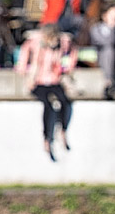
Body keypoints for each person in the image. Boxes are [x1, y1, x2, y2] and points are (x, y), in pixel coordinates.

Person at [16, 25, 74, 162]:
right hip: (37, 81)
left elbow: (71, 51)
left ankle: (63, 130)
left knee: (64, 102)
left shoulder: (61, 43)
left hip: (54, 80)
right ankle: (47, 138)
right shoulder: (34, 43)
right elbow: (23, 59)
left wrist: (66, 69)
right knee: (48, 105)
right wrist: (26, 74)